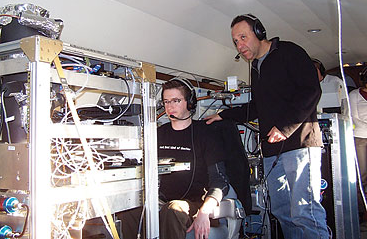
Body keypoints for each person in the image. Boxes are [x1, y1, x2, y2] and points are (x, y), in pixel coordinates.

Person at [204, 13, 329, 239]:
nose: (239, 45)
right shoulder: (256, 68)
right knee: (282, 212)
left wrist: (284, 127)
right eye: (235, 41)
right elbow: (258, 107)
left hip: (300, 146)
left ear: (259, 32)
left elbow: (311, 91)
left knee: (304, 212)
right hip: (272, 151)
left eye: (243, 37)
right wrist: (224, 115)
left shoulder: (290, 52)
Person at [119, 78, 232, 239]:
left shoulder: (206, 134)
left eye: (176, 101)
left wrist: (204, 212)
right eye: (166, 101)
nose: (169, 107)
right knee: (129, 211)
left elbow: (220, 180)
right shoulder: (158, 134)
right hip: (162, 202)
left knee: (173, 210)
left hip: (194, 204)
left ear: (190, 103)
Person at [349, 67, 367, 234]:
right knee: (362, 176)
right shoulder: (355, 95)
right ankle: (362, 213)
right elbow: (355, 118)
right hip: (361, 137)